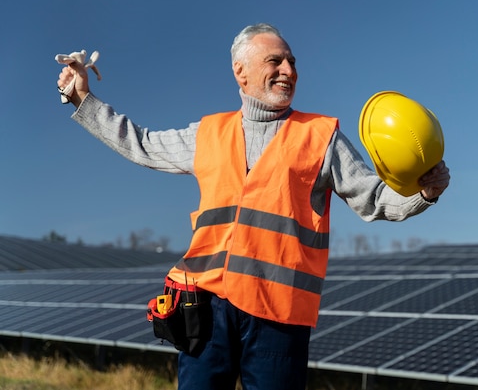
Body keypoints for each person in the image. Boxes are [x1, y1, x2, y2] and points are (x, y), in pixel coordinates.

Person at [56, 23, 450, 390]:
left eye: (292, 62)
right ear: (240, 72)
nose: (288, 70)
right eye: (274, 61)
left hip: (278, 316)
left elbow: (374, 198)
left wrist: (423, 193)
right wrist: (82, 98)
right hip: (204, 309)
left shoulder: (322, 137)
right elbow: (139, 143)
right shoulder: (208, 133)